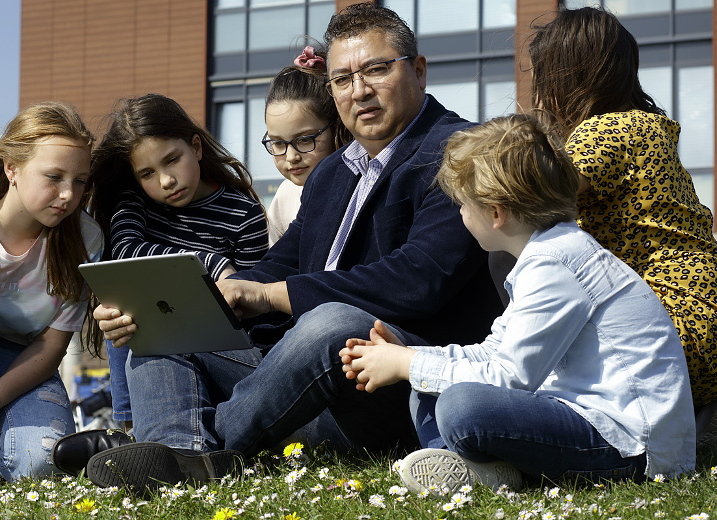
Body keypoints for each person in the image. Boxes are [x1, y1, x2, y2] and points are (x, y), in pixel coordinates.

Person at [83, 3, 503, 494]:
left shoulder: (460, 151)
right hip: (299, 380)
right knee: (163, 327)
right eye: (342, 78)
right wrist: (206, 297)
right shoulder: (334, 170)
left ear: (419, 69)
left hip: (392, 383)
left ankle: (197, 449)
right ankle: (183, 462)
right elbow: (281, 262)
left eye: (376, 69)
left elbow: (417, 281)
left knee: (333, 321)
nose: (359, 90)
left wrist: (271, 296)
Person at [340, 114, 695, 496]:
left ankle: (481, 471)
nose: (459, 214)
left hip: (633, 445)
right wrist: (408, 356)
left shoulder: (557, 261)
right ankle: (479, 472)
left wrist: (407, 363)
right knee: (428, 388)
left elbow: (508, 377)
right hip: (590, 420)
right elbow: (493, 352)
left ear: (495, 213)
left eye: (461, 204)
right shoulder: (548, 254)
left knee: (461, 405)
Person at [52, 94, 268, 476]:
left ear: (196, 147)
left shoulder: (243, 213)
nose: (166, 181)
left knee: (158, 334)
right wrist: (213, 265)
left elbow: (258, 309)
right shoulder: (133, 206)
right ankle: (152, 440)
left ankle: (156, 447)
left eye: (172, 160)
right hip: (157, 363)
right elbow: (128, 251)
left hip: (234, 365)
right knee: (136, 313)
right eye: (147, 173)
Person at [529, 7, 717, 414]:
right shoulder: (646, 125)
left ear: (568, 78)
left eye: (541, 79)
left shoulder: (607, 128)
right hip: (700, 321)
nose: (538, 97)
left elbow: (536, 188)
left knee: (512, 242)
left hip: (669, 334)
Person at [0, 102, 103, 492]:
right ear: (12, 168)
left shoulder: (85, 238)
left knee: (42, 465)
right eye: (53, 176)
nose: (68, 194)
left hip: (16, 361)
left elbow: (51, 347)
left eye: (79, 181)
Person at [263, 45, 352, 245]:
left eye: (304, 139)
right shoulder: (284, 197)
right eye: (277, 143)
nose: (291, 157)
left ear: (336, 130)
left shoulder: (359, 187)